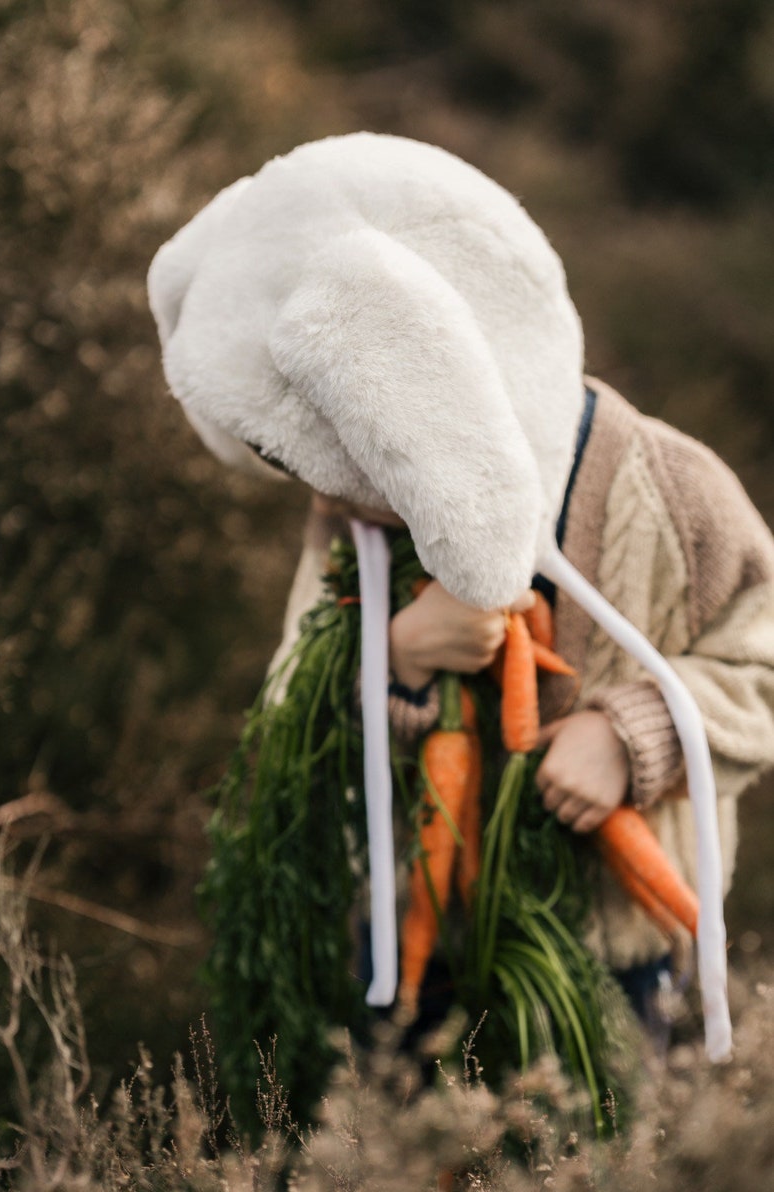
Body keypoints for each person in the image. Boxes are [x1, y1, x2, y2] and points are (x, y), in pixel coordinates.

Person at [147, 133, 774, 1059]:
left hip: (615, 945)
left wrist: (632, 736)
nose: (319, 497)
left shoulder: (675, 496)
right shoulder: (355, 527)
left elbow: (761, 661)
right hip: (415, 932)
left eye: (335, 466)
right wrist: (391, 658)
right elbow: (291, 694)